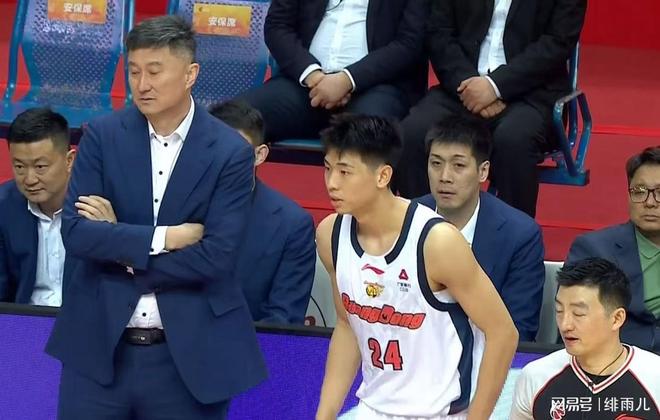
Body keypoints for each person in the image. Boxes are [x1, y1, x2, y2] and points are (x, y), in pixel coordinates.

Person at [45, 16, 267, 420]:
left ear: (190, 74)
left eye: (154, 71)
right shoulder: (101, 136)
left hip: (189, 359)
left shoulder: (229, 153)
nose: (142, 84)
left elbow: (216, 256)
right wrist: (165, 238)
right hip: (98, 351)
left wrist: (122, 247)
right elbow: (77, 234)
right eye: (133, 71)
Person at [315, 114, 518, 420]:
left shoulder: (437, 242)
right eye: (328, 168)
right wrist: (325, 414)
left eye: (345, 172)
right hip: (373, 408)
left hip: (441, 413)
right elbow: (346, 326)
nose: (332, 183)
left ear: (383, 176)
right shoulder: (330, 234)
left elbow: (503, 333)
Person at [395, 0, 588, 217]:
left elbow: (557, 43)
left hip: (531, 93)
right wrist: (469, 86)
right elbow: (439, 32)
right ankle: (424, 227)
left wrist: (495, 87)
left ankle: (513, 235)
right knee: (412, 133)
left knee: (513, 140)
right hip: (462, 88)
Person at [415, 117, 545, 341]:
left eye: (458, 166)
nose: (444, 177)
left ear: (483, 171)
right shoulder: (405, 219)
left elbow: (519, 329)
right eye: (436, 163)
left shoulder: (520, 235)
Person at [237, 0, 429, 142]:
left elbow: (410, 43)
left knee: (367, 135)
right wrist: (312, 74)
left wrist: (347, 80)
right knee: (234, 120)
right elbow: (278, 26)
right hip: (306, 84)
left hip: (376, 86)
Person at [510, 258, 660, 419]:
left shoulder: (655, 377)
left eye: (578, 314)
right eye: (559, 311)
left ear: (616, 319)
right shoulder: (535, 377)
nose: (565, 325)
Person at [209, 100, 316, 324]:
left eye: (236, 150)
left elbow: (282, 320)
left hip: (247, 343)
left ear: (260, 154)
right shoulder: (172, 205)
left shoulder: (292, 225)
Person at [567, 146, 660, 353]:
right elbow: (574, 321)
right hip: (614, 360)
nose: (649, 202)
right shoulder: (593, 249)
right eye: (639, 192)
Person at [0, 108, 76, 306]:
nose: (29, 179)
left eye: (40, 167)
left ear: (69, 160)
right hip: (26, 318)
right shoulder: (4, 207)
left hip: (82, 319)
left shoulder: (98, 203)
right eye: (19, 167)